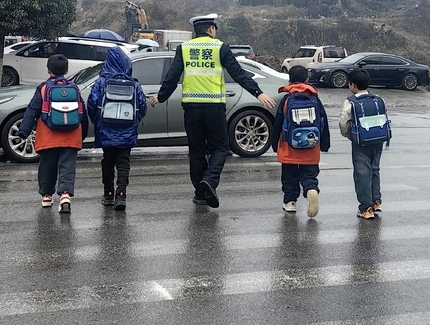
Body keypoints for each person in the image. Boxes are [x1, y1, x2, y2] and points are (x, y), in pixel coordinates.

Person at [150, 13, 276, 208]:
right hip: (214, 107)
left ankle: (200, 194)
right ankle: (210, 180)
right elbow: (238, 73)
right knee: (220, 147)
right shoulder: (220, 47)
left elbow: (172, 76)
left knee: (196, 150)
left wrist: (161, 96)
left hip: (191, 108)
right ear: (211, 29)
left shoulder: (184, 48)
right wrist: (257, 93)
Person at [17, 53, 88, 214]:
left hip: (48, 136)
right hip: (71, 136)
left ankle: (47, 196)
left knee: (47, 167)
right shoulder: (74, 88)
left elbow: (32, 110)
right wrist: (82, 133)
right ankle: (65, 195)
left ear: (49, 70)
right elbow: (82, 112)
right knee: (67, 167)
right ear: (67, 70)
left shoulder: (43, 88)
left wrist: (24, 131)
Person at [87, 46, 147, 210]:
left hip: (105, 129)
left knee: (107, 160)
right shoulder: (133, 83)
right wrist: (134, 121)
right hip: (127, 130)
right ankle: (121, 194)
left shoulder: (101, 82)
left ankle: (108, 194)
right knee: (123, 161)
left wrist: (97, 121)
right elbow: (142, 106)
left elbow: (92, 103)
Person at [272, 65, 330, 217]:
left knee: (289, 176)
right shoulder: (314, 98)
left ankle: (290, 202)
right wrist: (325, 144)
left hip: (289, 147)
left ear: (289, 81)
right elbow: (323, 122)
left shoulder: (287, 99)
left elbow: (278, 123)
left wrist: (274, 144)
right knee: (309, 174)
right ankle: (311, 189)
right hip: (311, 146)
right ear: (307, 80)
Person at [339, 68, 390, 219]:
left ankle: (366, 208)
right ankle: (376, 201)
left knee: (362, 172)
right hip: (378, 140)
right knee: (374, 168)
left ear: (353, 85)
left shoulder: (350, 102)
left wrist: (350, 136)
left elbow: (343, 123)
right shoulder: (379, 99)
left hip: (361, 142)